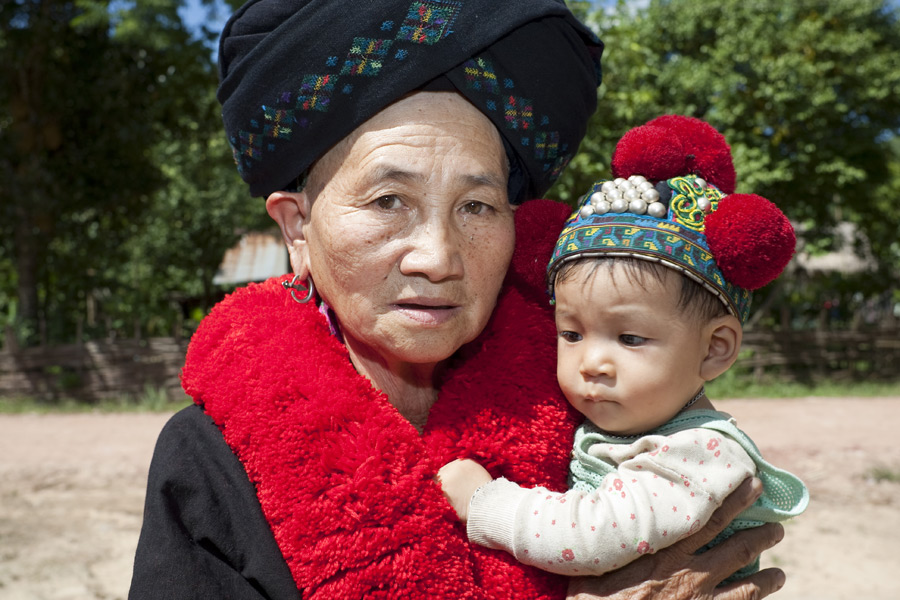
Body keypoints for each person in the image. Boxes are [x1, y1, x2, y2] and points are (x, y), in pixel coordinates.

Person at [129, 2, 788, 598]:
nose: (439, 259)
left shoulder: (591, 400)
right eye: (389, 201)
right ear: (297, 227)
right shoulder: (207, 464)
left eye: (477, 206)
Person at [437, 115, 808, 581]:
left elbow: (593, 537)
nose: (591, 363)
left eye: (630, 338)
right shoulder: (622, 424)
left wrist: (486, 503)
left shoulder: (702, 453)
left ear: (715, 348)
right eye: (571, 334)